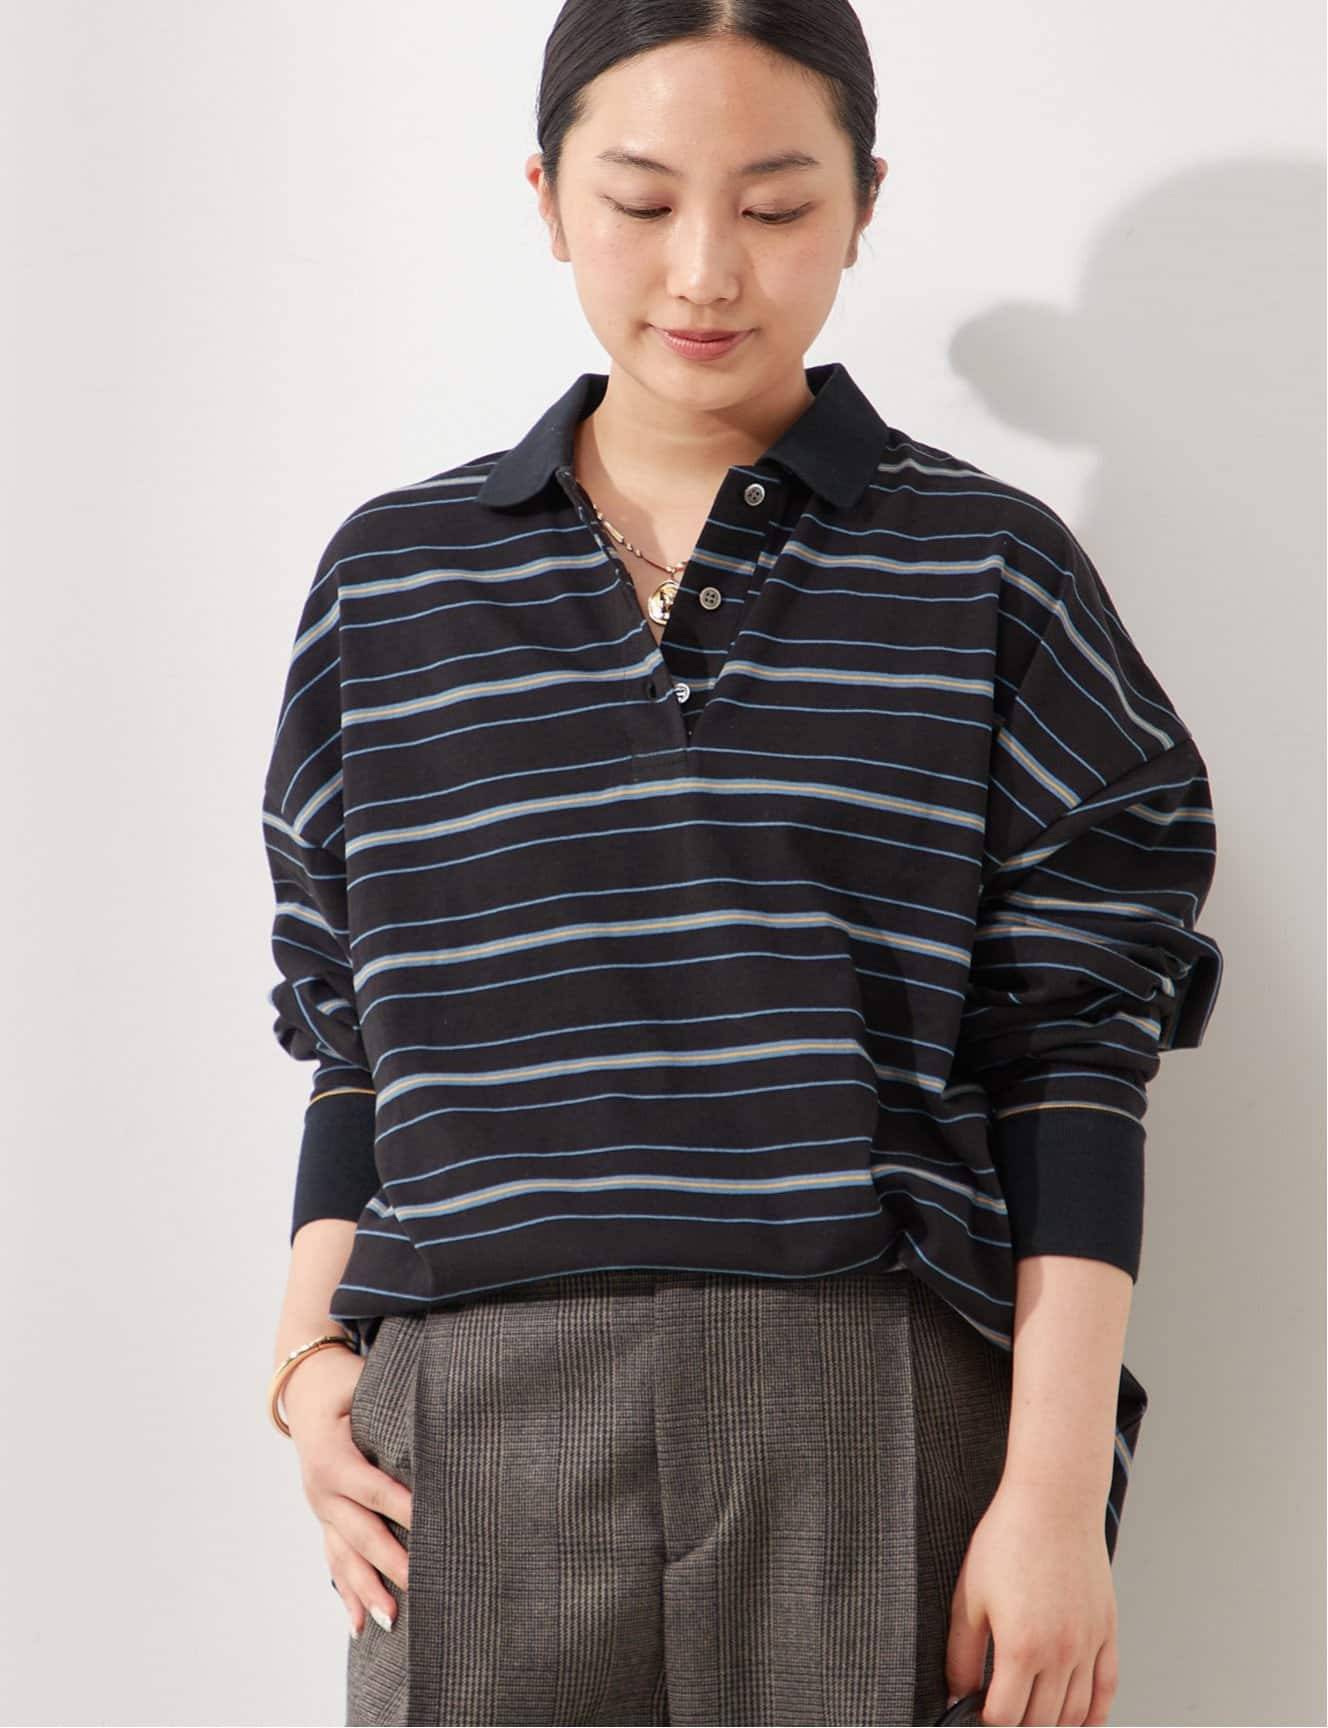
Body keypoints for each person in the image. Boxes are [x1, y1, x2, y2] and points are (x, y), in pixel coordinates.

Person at [260, 5, 1225, 1724]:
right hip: (472, 1417)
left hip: (863, 1399)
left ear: (864, 204)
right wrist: (302, 1359)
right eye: (641, 202)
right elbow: (355, 1026)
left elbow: (1077, 1053)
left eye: (776, 207)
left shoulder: (989, 574)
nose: (706, 270)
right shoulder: (393, 585)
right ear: (547, 197)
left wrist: (1056, 1492)